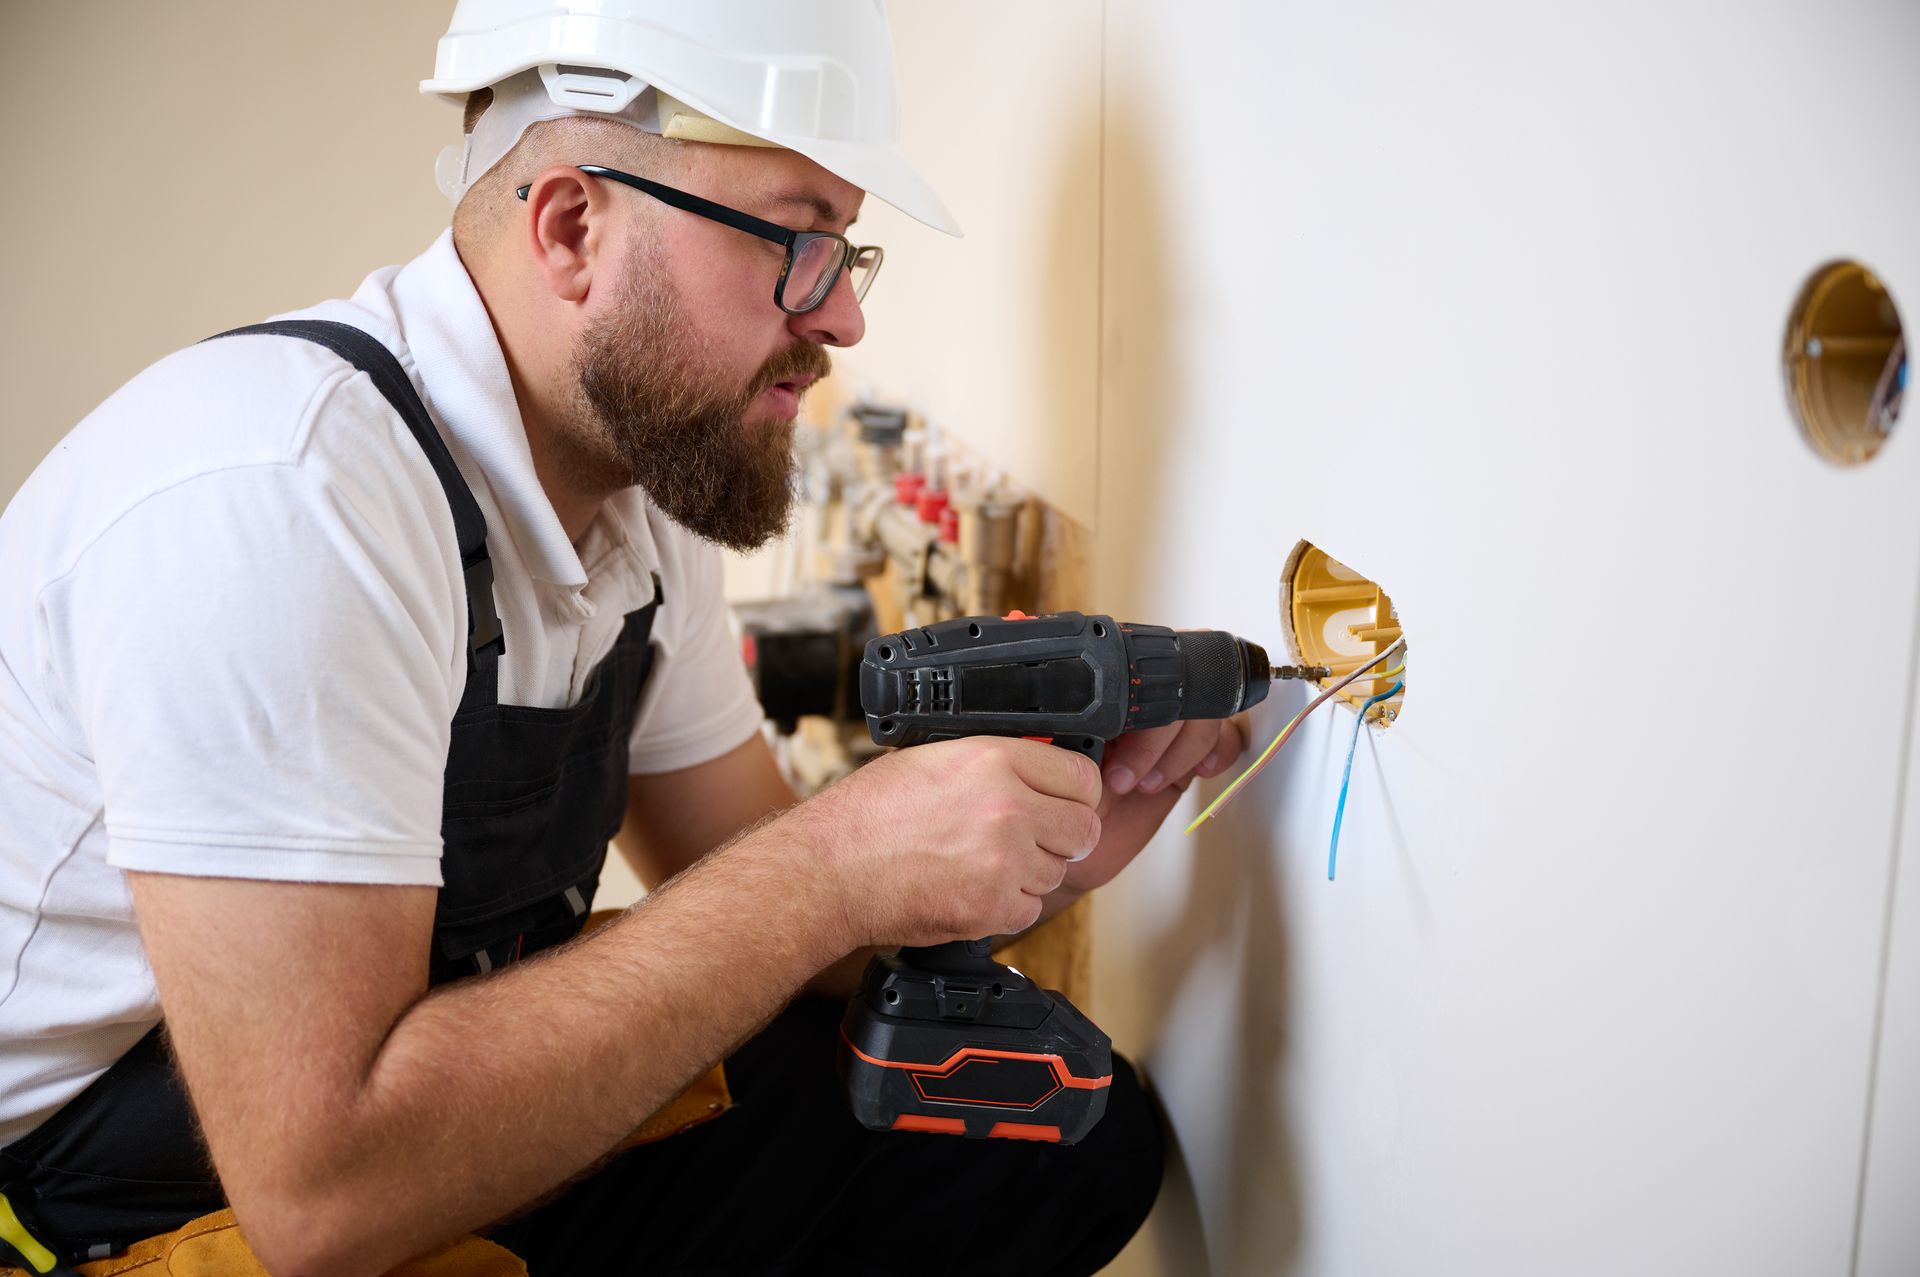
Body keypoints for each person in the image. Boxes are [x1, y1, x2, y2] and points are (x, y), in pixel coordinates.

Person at [0, 3, 1248, 1273]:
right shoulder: (286, 498)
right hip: (123, 1221)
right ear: (573, 227)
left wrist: (1045, 836)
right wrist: (838, 854)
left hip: (387, 1127)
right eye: (796, 240)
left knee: (1057, 1150)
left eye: (847, 253)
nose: (841, 320)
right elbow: (322, 1198)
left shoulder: (635, 498)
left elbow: (767, 885)